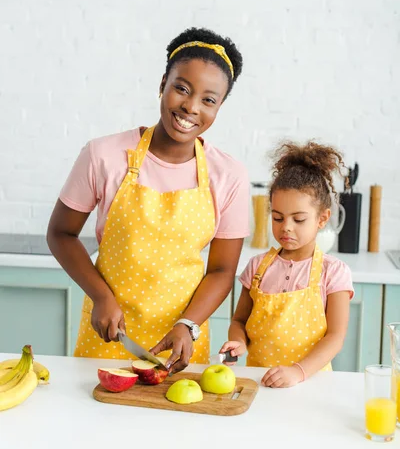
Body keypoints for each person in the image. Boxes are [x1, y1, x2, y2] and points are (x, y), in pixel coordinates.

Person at [47, 27, 250, 374]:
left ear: (220, 107)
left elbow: (221, 271)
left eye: (208, 100)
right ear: (163, 84)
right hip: (108, 335)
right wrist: (101, 297)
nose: (190, 107)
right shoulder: (104, 155)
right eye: (181, 88)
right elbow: (60, 234)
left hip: (181, 346)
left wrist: (189, 324)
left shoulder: (229, 175)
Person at [220, 140, 354, 387]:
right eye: (278, 217)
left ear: (322, 218)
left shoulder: (333, 272)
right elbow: (239, 321)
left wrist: (297, 372)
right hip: (260, 382)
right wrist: (238, 342)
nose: (286, 227)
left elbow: (335, 337)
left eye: (299, 219)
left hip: (311, 383)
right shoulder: (257, 267)